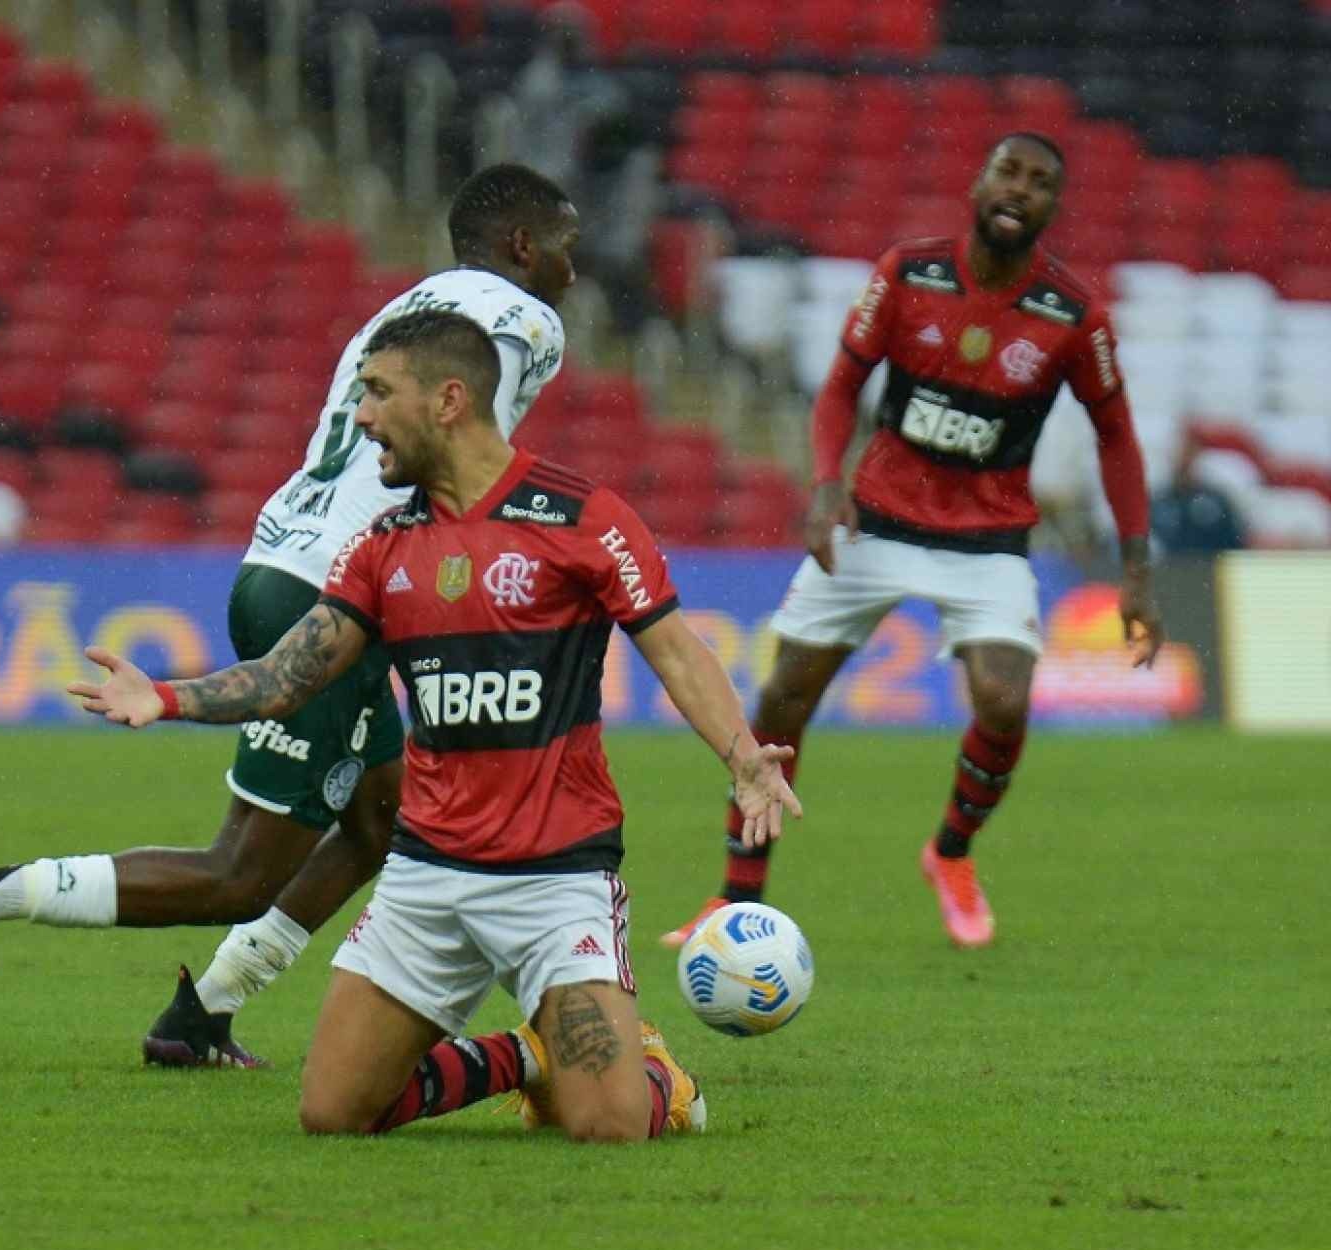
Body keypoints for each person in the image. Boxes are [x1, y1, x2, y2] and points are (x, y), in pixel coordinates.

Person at [0, 165, 582, 1066]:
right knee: (240, 875)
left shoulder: (405, 311)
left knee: (379, 821)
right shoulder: (518, 320)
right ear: (522, 246)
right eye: (565, 246)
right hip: (335, 594)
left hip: (281, 560)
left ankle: (201, 1015)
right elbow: (464, 456)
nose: (573, 267)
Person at [69, 309, 800, 1138]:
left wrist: (742, 756)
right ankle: (526, 1056)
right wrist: (164, 698)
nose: (362, 415)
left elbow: (673, 649)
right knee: (333, 1113)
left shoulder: (578, 517)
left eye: (378, 392)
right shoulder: (381, 545)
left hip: (554, 878)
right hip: (427, 877)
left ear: (448, 399)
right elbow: (285, 677)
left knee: (611, 1128)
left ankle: (646, 1076)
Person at [660, 133, 1163, 952]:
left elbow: (1117, 439)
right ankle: (734, 897)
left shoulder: (1073, 316)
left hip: (988, 538)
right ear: (977, 179)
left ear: (1051, 207)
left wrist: (1136, 566)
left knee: (1003, 700)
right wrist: (825, 486)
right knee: (784, 699)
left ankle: (951, 854)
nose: (1019, 189)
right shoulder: (907, 273)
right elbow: (839, 387)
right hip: (876, 521)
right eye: (1007, 170)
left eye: (1039, 183)